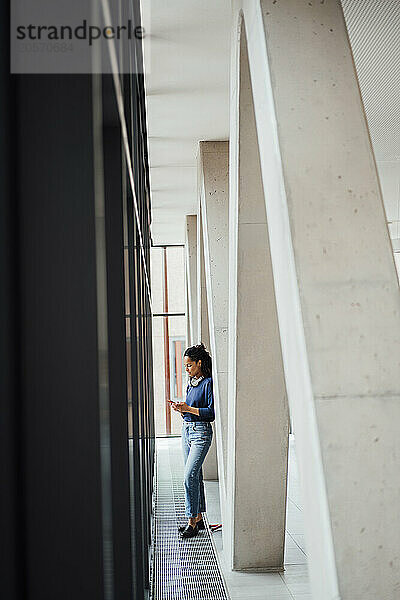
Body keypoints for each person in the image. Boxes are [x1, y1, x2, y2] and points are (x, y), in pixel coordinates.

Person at [171, 343, 215, 538]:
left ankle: (191, 522)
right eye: (185, 366)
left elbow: (210, 413)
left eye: (189, 365)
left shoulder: (208, 383)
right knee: (195, 475)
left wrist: (188, 409)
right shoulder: (191, 384)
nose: (186, 369)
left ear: (199, 363)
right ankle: (198, 518)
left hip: (201, 433)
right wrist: (182, 410)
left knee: (189, 475)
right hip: (187, 431)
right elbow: (190, 411)